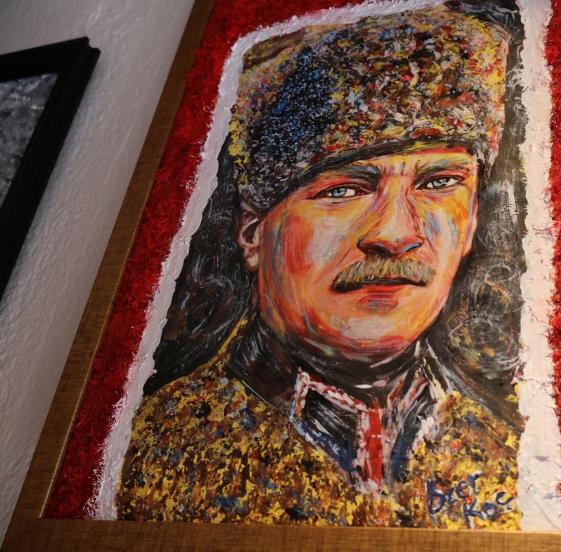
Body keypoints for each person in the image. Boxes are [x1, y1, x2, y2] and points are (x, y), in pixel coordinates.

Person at [117, 2, 528, 529]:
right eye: (344, 190)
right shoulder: (156, 454)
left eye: (438, 182)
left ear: (471, 222)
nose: (395, 235)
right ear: (252, 232)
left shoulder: (504, 450)